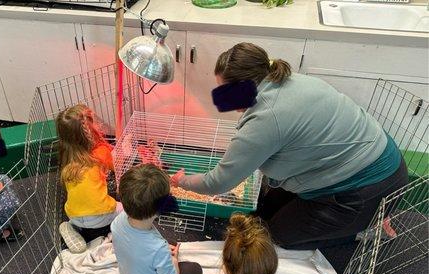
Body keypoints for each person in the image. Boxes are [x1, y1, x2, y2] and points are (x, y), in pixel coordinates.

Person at [172, 43, 408, 250]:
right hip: (381, 158)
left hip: (367, 187)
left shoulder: (266, 118)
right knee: (264, 209)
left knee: (276, 236)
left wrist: (180, 181)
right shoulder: (285, 79)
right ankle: (365, 216)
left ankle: (362, 230)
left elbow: (218, 182)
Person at [111, 164, 203, 274]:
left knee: (170, 243)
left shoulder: (117, 222)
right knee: (196, 271)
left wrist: (162, 251)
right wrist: (173, 261)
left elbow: (141, 247)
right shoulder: (157, 248)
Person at [56, 104, 121, 252]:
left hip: (75, 216)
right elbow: (116, 164)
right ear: (91, 129)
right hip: (102, 215)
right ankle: (112, 231)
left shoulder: (67, 162)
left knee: (81, 206)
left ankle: (71, 227)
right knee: (127, 210)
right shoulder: (101, 153)